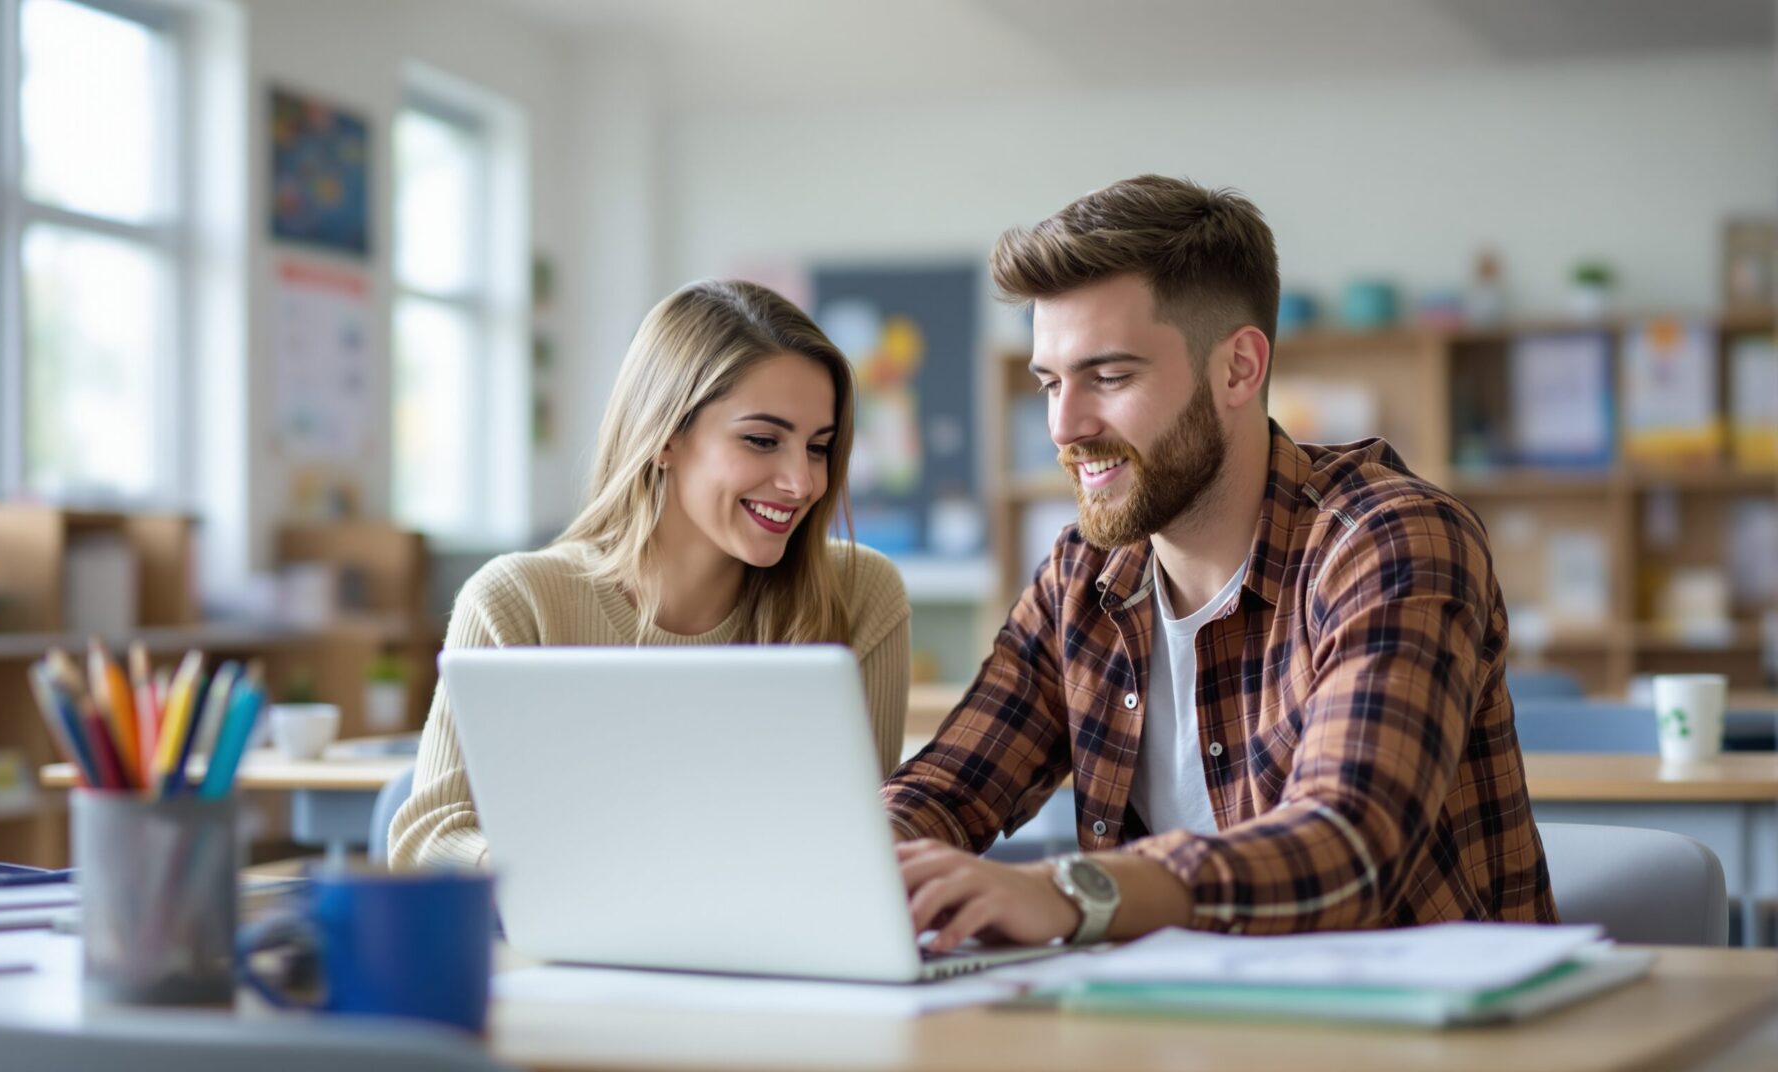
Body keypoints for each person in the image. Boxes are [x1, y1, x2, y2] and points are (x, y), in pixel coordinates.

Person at [885, 176, 1557, 951]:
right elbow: (947, 787)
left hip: (1426, 1012)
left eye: (1109, 377)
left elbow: (1349, 841)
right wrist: (868, 854)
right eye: (1050, 383)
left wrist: (1070, 892)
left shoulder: (1390, 541)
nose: (1064, 426)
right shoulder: (1082, 576)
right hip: (1175, 1009)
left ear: (1239, 368)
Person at [392, 279, 910, 870]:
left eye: (818, 447)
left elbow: (868, 842)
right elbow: (425, 843)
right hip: (570, 927)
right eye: (762, 440)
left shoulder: (860, 595)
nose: (803, 483)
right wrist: (571, 883)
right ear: (665, 437)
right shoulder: (517, 603)